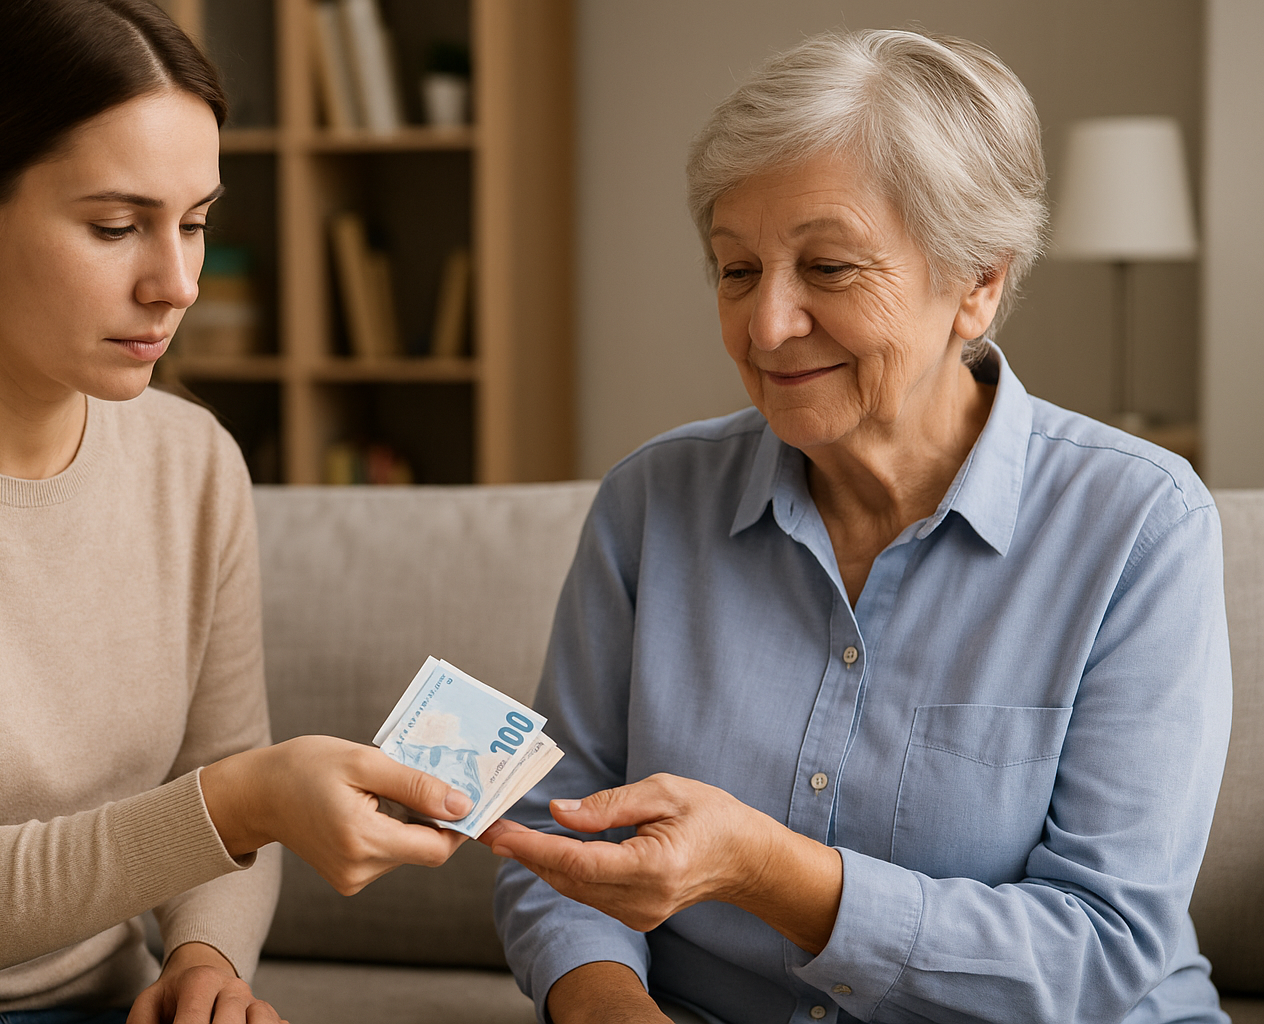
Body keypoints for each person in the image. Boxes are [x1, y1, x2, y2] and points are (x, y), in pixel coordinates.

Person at [0, 2, 471, 1022]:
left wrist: (205, 960)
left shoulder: (192, 460)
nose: (178, 283)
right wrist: (246, 800)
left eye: (195, 222)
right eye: (116, 227)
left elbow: (210, 767)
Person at [485, 28, 1231, 1024]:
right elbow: (553, 832)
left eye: (829, 267)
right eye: (736, 270)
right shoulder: (650, 502)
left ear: (979, 282)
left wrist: (764, 868)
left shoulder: (1139, 525)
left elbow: (1102, 947)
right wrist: (610, 1009)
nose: (766, 327)